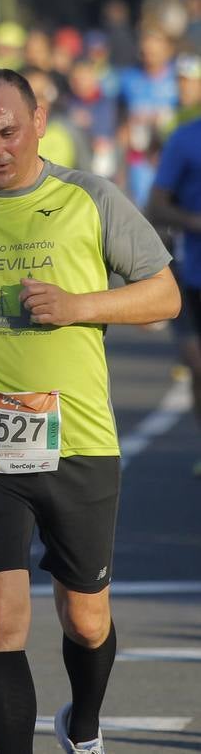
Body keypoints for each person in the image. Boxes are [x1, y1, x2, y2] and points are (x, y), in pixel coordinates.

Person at [0, 69, 179, 754]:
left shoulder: (89, 197)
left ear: (38, 120)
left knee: (85, 619)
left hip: (78, 439)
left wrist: (79, 306)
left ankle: (83, 724)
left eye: (5, 132)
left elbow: (165, 295)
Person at [148, 83, 201, 476]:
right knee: (198, 367)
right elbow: (157, 206)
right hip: (194, 272)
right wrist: (194, 222)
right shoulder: (185, 140)